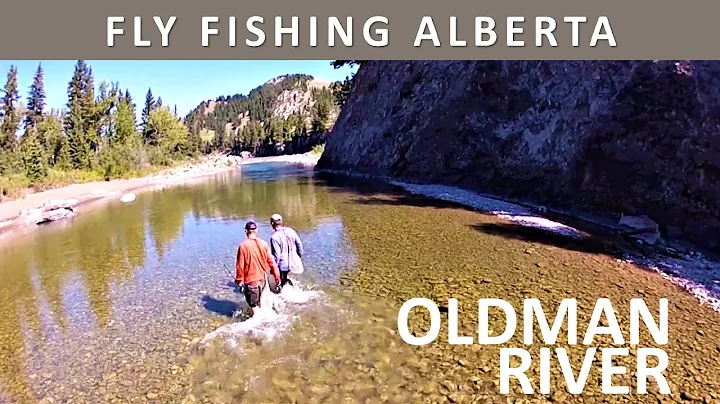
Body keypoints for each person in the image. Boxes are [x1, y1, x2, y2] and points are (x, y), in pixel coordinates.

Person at [235, 221, 281, 317]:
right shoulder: (263, 244)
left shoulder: (243, 246)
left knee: (254, 308)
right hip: (263, 281)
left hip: (252, 282)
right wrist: (277, 277)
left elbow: (240, 266)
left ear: (245, 231)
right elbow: (272, 263)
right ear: (256, 230)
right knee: (261, 303)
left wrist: (238, 280)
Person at [269, 214, 304, 289]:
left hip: (283, 264)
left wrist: (274, 268)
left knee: (281, 281)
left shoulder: (274, 237)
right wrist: (298, 257)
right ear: (281, 222)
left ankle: (283, 293)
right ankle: (292, 289)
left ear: (272, 223)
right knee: (285, 277)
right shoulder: (291, 231)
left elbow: (277, 256)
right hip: (293, 261)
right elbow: (299, 245)